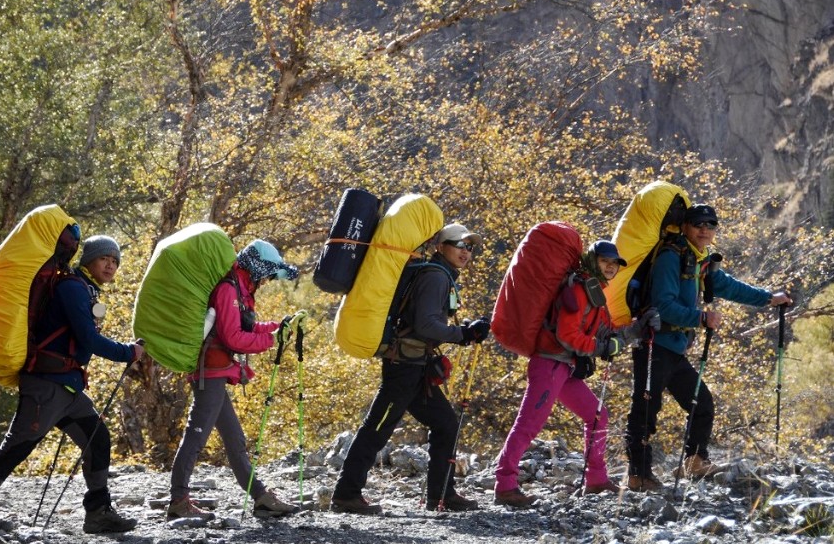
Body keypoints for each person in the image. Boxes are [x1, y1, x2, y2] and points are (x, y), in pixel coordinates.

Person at [0, 226, 144, 535]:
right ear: (87, 260)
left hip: (68, 386)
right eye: (104, 258)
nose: (111, 265)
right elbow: (87, 339)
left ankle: (98, 512)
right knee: (17, 446)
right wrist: (128, 352)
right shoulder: (72, 288)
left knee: (97, 437)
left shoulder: (85, 290)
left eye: (115, 260)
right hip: (47, 385)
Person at [624, 204, 791, 490]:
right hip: (654, 344)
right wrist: (700, 317)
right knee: (646, 408)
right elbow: (662, 305)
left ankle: (695, 461)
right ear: (685, 226)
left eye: (711, 224)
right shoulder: (669, 256)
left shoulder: (698, 259)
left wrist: (768, 299)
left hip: (674, 348)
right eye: (698, 223)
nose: (704, 229)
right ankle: (637, 475)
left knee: (702, 403)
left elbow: (729, 286)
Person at [331, 223, 491, 515]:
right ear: (441, 247)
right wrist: (463, 334)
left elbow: (427, 324)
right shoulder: (436, 277)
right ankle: (346, 494)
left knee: (445, 424)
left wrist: (462, 331)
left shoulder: (436, 274)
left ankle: (441, 495)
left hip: (415, 365)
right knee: (377, 428)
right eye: (459, 244)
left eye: (470, 247)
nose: (466, 251)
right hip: (405, 366)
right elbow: (426, 324)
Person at [492, 240, 659, 508]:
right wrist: (600, 347)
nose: (610, 266)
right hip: (549, 365)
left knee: (597, 415)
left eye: (614, 263)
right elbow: (568, 335)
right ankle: (505, 486)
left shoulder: (594, 292)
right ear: (592, 261)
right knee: (528, 425)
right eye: (605, 261)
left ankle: (595, 479)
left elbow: (605, 332)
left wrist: (637, 328)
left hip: (564, 367)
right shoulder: (580, 289)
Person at [167, 239, 300, 520]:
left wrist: (279, 326)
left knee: (234, 439)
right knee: (196, 436)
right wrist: (271, 340)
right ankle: (178, 500)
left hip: (216, 370)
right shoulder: (229, 289)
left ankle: (261, 498)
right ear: (256, 267)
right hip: (210, 372)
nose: (268, 280)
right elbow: (234, 337)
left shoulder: (241, 288)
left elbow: (247, 327)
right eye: (267, 273)